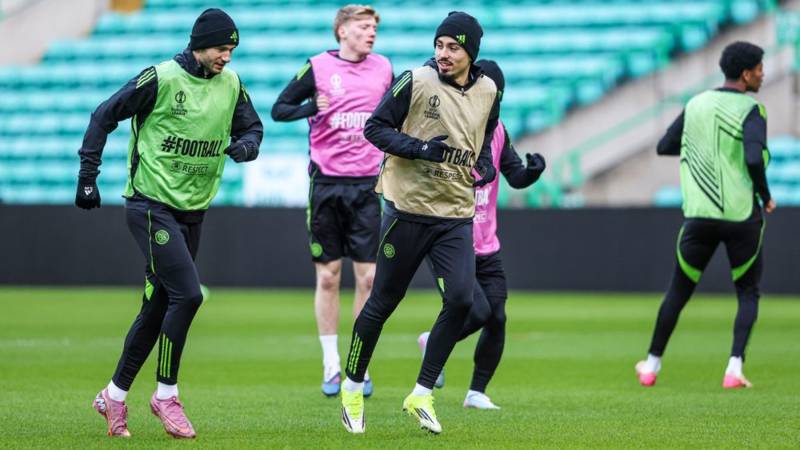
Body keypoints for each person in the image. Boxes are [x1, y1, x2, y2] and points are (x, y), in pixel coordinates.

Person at [75, 8, 263, 438]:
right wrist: (88, 176)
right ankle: (166, 395)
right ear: (200, 45)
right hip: (150, 205)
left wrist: (246, 147)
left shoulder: (232, 84)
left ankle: (113, 396)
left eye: (232, 50)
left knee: (158, 305)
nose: (227, 57)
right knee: (189, 295)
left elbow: (253, 129)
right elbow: (103, 115)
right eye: (221, 48)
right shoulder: (160, 78)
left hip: (193, 210)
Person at [339, 11, 499, 434]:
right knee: (383, 302)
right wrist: (419, 148)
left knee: (462, 301)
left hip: (455, 215)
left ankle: (422, 393)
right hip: (407, 210)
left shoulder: (489, 89)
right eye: (439, 45)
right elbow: (375, 128)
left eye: (453, 47)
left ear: (471, 52)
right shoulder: (416, 80)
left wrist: (483, 166)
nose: (443, 53)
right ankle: (352, 387)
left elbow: (487, 136)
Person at [635, 41, 775, 389]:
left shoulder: (696, 103)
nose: (763, 74)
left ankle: (651, 365)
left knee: (678, 292)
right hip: (741, 215)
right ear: (746, 74)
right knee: (748, 292)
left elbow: (665, 145)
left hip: (700, 216)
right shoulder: (752, 109)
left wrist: (703, 150)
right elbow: (754, 158)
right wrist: (765, 195)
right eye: (759, 69)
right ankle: (734, 368)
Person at [271, 4, 392, 397]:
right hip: (326, 184)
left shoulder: (383, 68)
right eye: (363, 26)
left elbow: (397, 114)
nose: (371, 32)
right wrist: (311, 107)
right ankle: (331, 363)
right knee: (328, 276)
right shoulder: (318, 67)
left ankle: (359, 363)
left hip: (368, 187)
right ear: (342, 31)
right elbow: (279, 109)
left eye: (374, 27)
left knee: (369, 278)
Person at [417, 59, 546, 410]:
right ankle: (432, 343)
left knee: (497, 317)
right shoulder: (449, 124)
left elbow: (514, 174)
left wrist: (532, 172)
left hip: (487, 245)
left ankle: (476, 392)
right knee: (476, 312)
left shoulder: (498, 129)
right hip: (449, 239)